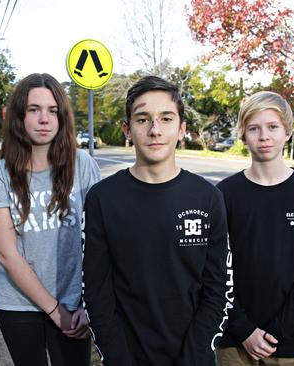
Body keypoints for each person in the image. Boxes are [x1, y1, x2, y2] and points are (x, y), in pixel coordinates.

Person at [82, 76, 232, 365]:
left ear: (181, 129)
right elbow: (96, 293)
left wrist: (194, 356)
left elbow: (218, 289)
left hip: (193, 357)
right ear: (127, 129)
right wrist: (119, 358)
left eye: (166, 118)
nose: (155, 130)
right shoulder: (102, 199)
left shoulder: (208, 198)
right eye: (142, 119)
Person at [0, 73, 101, 366]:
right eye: (34, 110)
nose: (44, 119)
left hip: (76, 308)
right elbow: (7, 254)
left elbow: (100, 240)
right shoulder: (0, 174)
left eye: (52, 110)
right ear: (19, 117)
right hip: (18, 306)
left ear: (62, 117)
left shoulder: (82, 164)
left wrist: (89, 305)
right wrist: (54, 311)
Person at [215, 91, 294, 366]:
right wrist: (243, 330)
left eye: (272, 127)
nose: (264, 136)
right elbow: (214, 270)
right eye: (254, 128)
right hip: (233, 338)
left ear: (288, 131)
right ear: (243, 135)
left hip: (285, 340)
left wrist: (277, 332)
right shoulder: (224, 194)